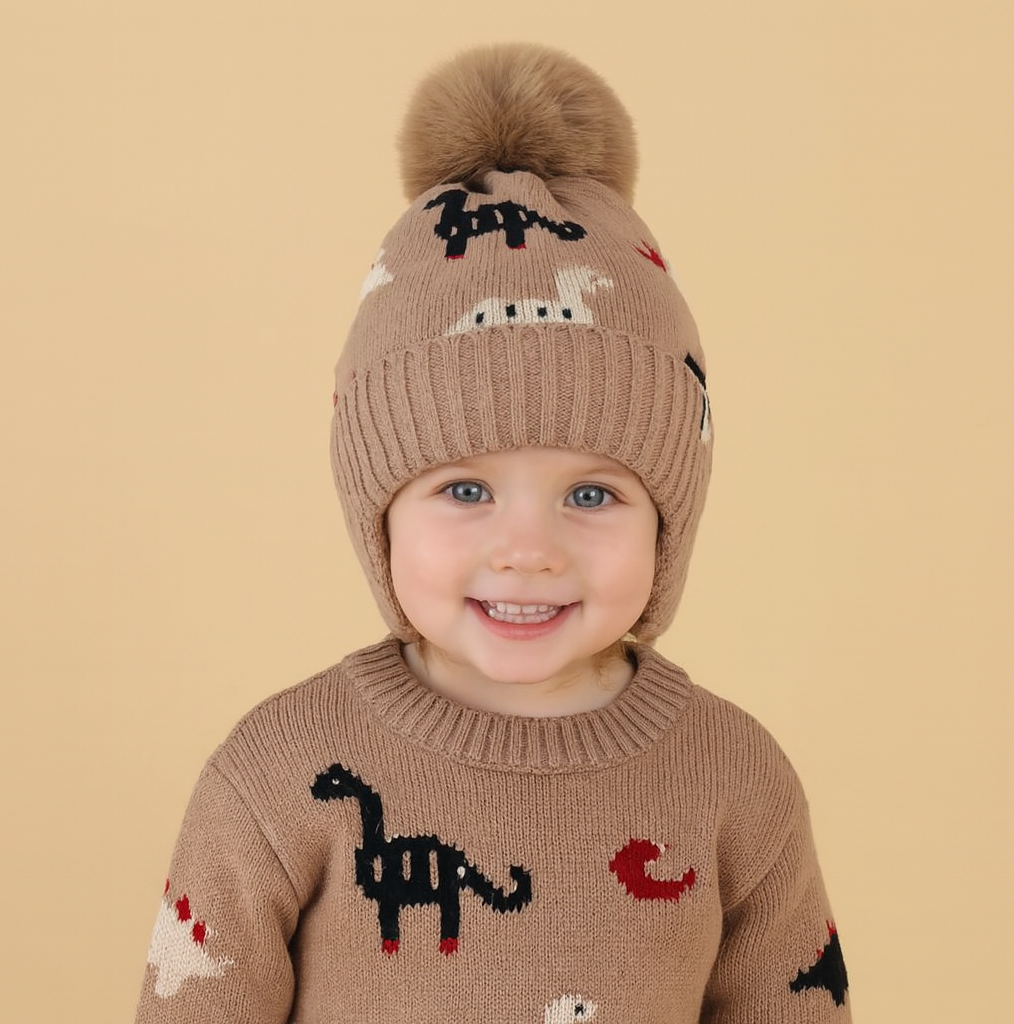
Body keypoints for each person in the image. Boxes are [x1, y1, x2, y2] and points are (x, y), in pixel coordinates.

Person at [134, 43, 851, 1023]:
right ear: (377, 515)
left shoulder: (737, 781)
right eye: (465, 488)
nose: (528, 548)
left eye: (591, 495)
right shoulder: (275, 773)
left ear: (669, 521)